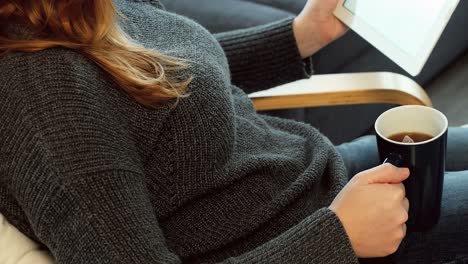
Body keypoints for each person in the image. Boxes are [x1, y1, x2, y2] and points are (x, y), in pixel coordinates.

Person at [0, 0, 467, 263]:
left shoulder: (74, 14)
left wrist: (300, 36)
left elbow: (155, 76)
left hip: (313, 174)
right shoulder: (44, 95)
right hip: (310, 235)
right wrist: (335, 237)